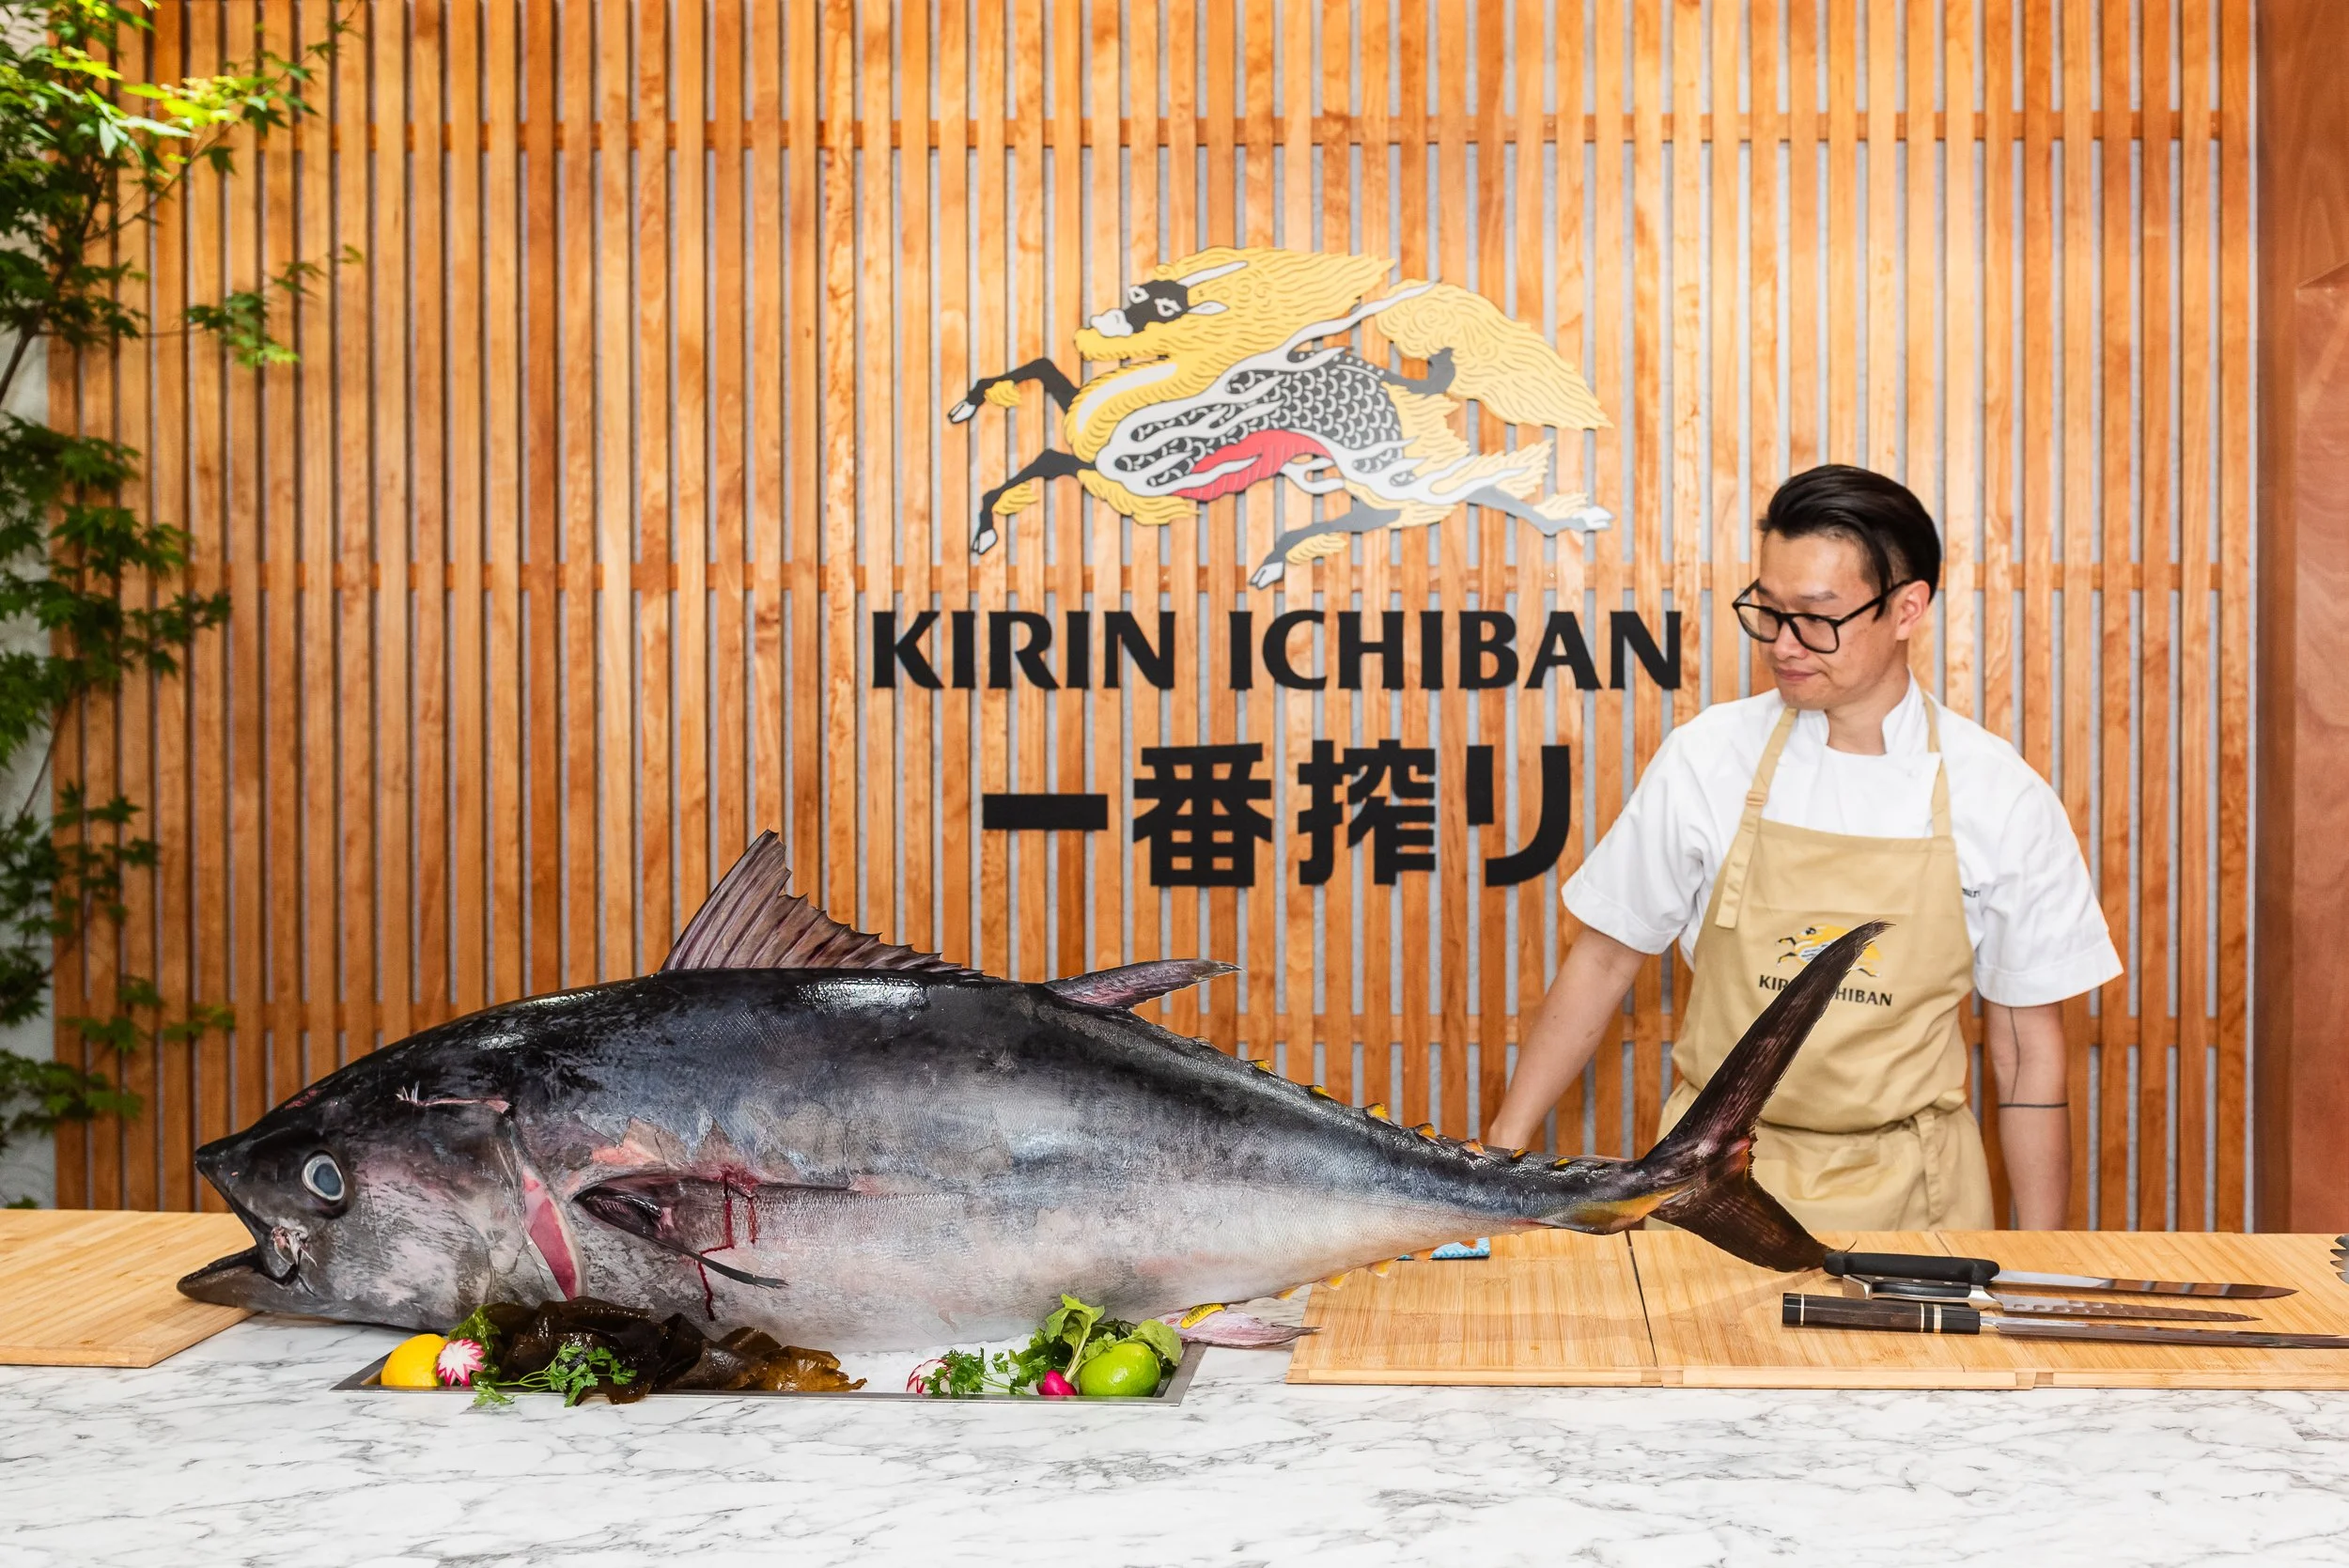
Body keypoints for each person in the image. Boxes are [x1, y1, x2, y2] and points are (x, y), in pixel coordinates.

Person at [1486, 464, 2118, 1231]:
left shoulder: (2000, 794)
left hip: (1916, 1198)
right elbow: (1606, 958)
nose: (1784, 644)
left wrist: (2042, 1257)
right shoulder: (1709, 756)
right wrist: (1500, 1159)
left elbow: (2026, 1050)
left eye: (1817, 617)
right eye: (1769, 610)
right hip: (1709, 1187)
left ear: (1908, 608)